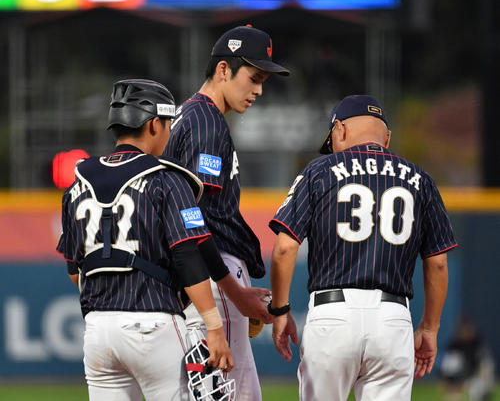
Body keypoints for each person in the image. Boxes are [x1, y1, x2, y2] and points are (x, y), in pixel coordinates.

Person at [267, 95, 458, 401]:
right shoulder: (422, 180)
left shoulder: (319, 171)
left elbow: (284, 249)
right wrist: (430, 328)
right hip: (393, 319)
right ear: (387, 138)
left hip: (333, 315)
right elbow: (437, 263)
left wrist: (280, 309)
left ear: (339, 130)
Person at [57, 79, 234, 400]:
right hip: (152, 325)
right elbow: (188, 258)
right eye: (167, 124)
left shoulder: (77, 183)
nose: (169, 132)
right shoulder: (166, 178)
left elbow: (75, 271)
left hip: (98, 332)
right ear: (154, 124)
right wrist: (214, 326)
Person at [164, 24, 290, 400]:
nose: (259, 90)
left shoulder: (188, 116)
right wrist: (234, 291)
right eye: (253, 77)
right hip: (214, 275)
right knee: (239, 393)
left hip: (198, 276)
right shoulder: (206, 124)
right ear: (223, 70)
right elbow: (193, 215)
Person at [440, 317, 495, 401]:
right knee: (452, 397)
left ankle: (485, 391)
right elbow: (448, 367)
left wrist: (482, 381)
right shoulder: (454, 344)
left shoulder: (477, 342)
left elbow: (483, 364)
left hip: (476, 375)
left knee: (487, 366)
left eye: (468, 329)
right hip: (460, 377)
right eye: (464, 329)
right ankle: (454, 389)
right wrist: (449, 382)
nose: (466, 332)